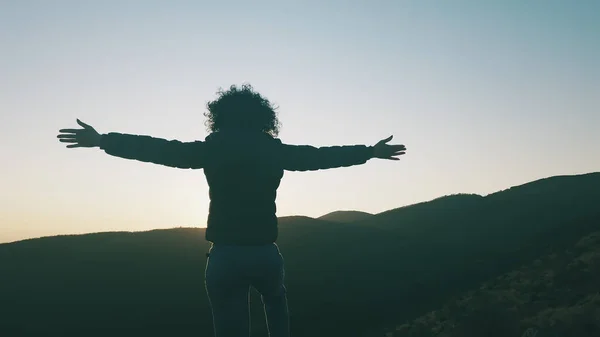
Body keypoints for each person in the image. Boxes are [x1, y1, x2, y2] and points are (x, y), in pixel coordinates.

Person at [57, 84, 406, 337]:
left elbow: (160, 149)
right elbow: (320, 156)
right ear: (263, 118)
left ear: (218, 117)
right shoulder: (274, 151)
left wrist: (104, 140)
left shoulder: (212, 149)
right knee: (277, 303)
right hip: (266, 253)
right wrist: (369, 151)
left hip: (224, 257)